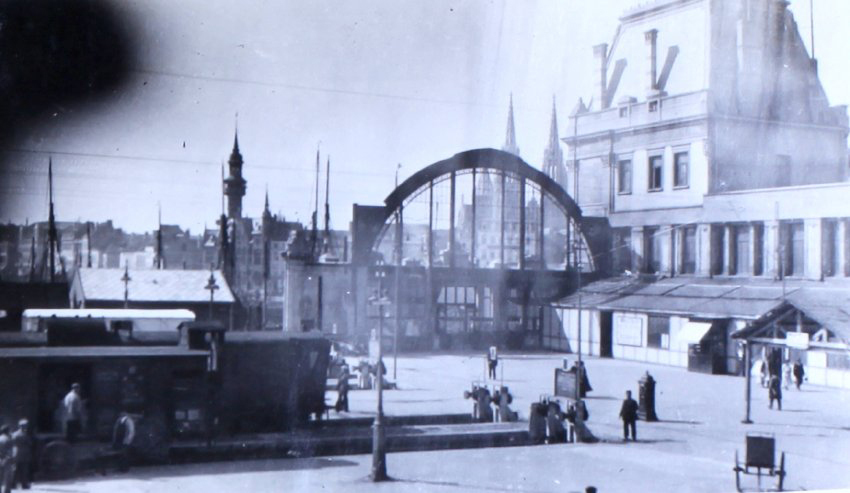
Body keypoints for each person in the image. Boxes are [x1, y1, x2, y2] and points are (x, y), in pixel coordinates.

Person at [11, 419, 32, 490]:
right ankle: (24, 484)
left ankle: (12, 484)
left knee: (15, 470)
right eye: (26, 425)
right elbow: (29, 443)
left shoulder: (14, 434)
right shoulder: (24, 435)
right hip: (24, 453)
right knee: (24, 470)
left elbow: (11, 443)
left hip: (15, 453)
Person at [0, 425, 12, 493]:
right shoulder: (8, 439)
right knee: (7, 479)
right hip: (6, 461)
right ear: (7, 431)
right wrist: (6, 459)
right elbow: (9, 452)